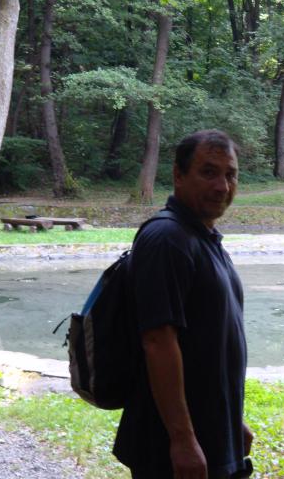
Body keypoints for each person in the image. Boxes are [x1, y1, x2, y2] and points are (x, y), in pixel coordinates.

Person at [113, 129, 253, 479]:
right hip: (170, 447)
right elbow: (158, 341)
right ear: (178, 174)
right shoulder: (167, 239)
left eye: (231, 174)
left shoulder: (202, 237)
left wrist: (230, 420)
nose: (222, 186)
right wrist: (183, 440)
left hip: (210, 432)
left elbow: (208, 343)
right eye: (208, 172)